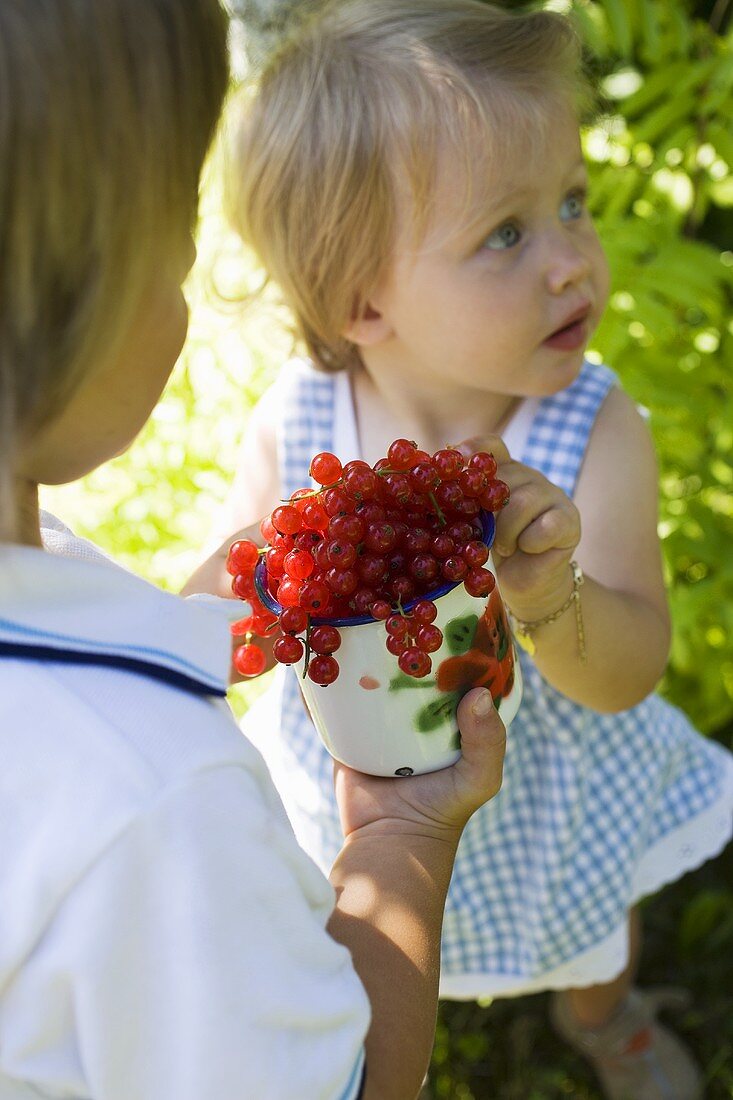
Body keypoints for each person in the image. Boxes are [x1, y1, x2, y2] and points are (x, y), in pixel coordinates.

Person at [184, 2, 733, 1097]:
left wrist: (552, 597)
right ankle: (379, 1022)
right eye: (507, 233)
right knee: (343, 926)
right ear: (362, 299)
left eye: (571, 204)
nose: (574, 259)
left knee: (590, 924)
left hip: (548, 791)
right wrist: (241, 596)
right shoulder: (297, 425)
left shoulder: (588, 428)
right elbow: (222, 617)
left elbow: (626, 673)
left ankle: (602, 1015)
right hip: (358, 793)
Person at [0, 3, 508, 1099]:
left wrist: (189, 624)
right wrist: (401, 833)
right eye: (173, 226)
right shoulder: (153, 801)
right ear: (82, 296)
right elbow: (355, 1077)